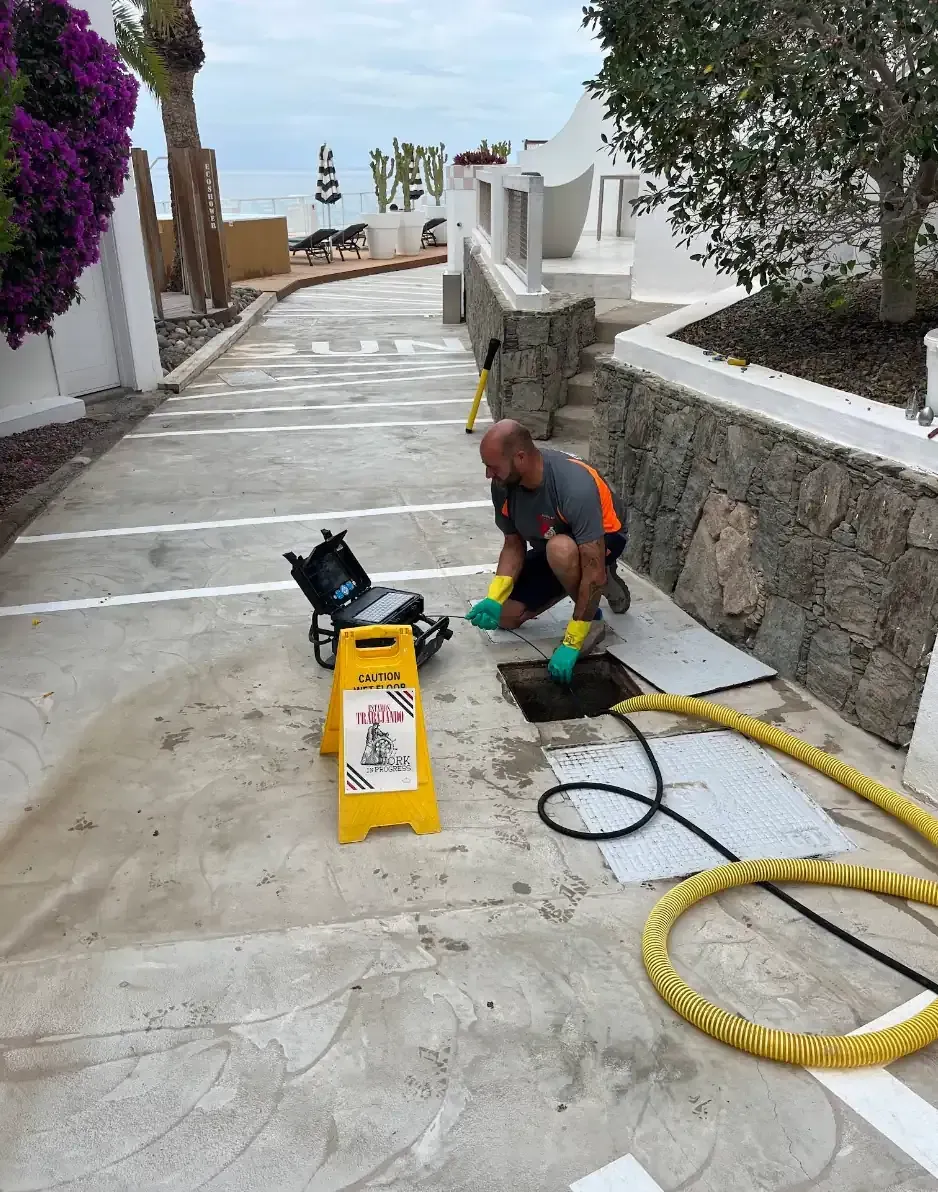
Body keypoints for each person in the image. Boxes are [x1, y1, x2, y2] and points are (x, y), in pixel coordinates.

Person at [467, 419, 631, 684]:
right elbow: (513, 544)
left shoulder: (573, 486)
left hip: (604, 539)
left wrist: (574, 639)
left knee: (562, 551)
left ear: (520, 458)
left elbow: (588, 563)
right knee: (506, 617)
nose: (489, 474)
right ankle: (586, 583)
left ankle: (594, 616)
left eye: (493, 467)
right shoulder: (503, 487)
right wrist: (494, 598)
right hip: (551, 544)